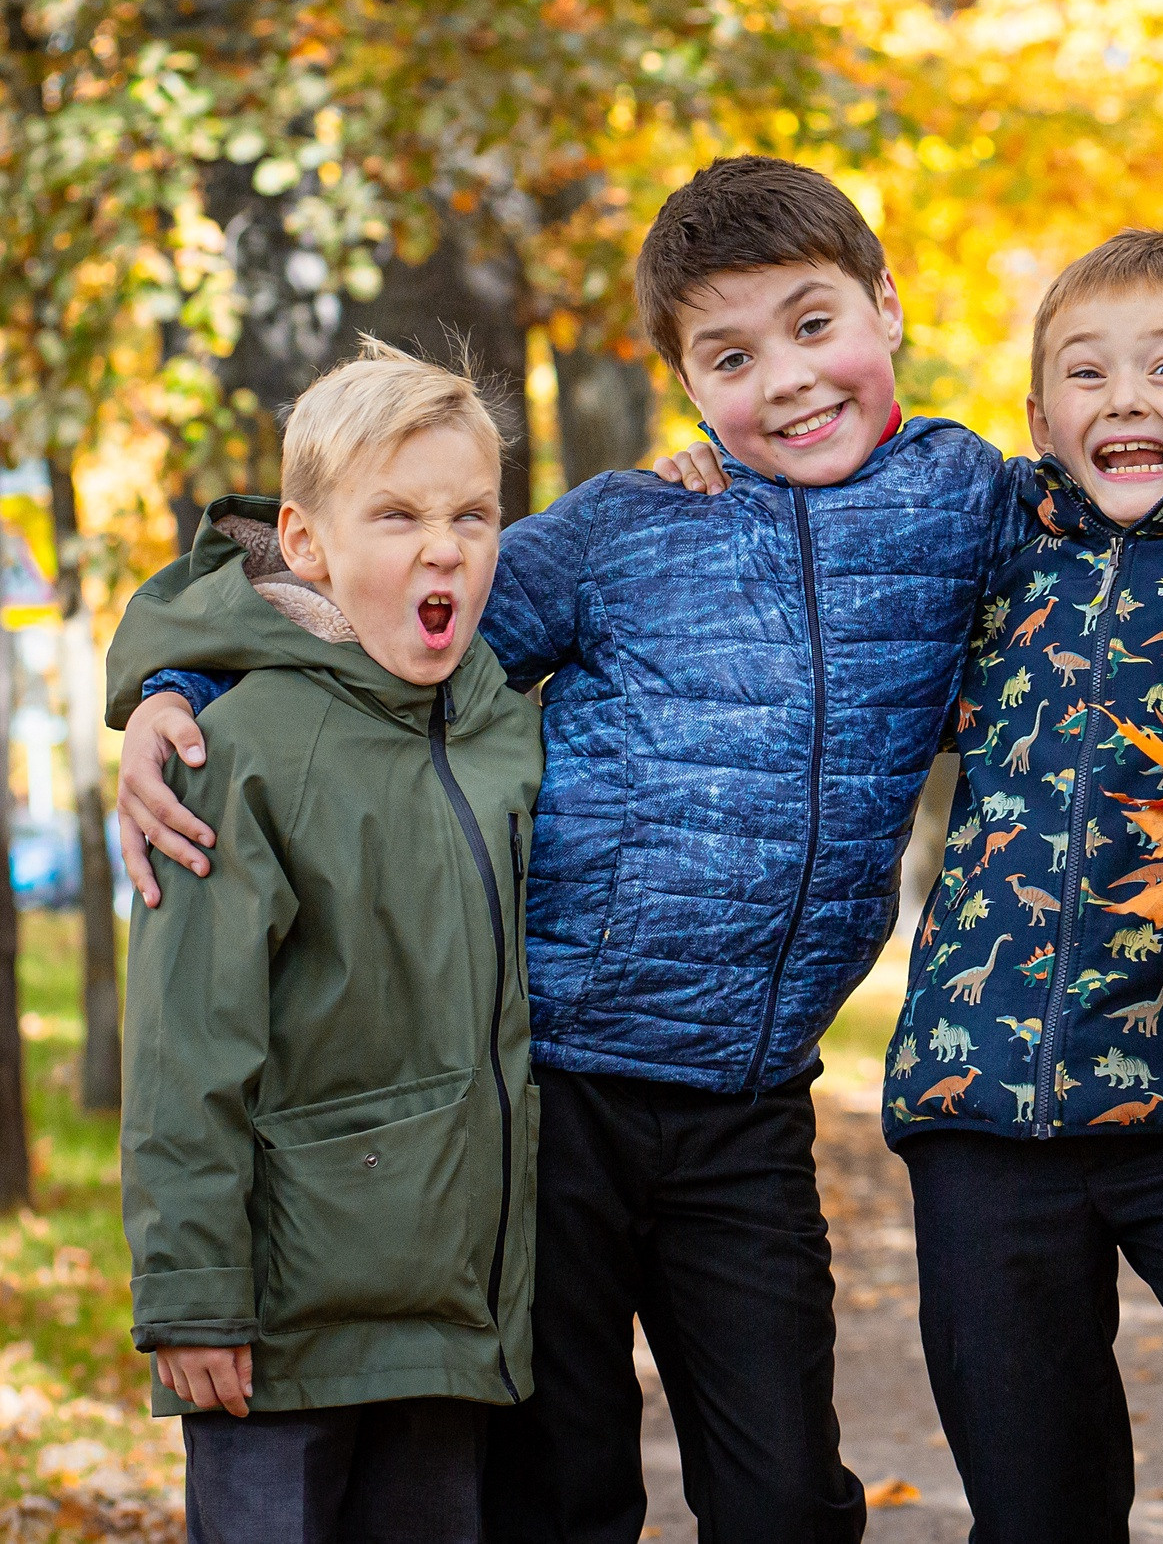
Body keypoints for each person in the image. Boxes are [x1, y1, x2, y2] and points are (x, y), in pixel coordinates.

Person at [111, 155, 1013, 1542]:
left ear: (885, 305)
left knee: (784, 1493)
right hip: (552, 1096)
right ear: (686, 383)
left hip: (749, 1102)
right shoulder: (625, 527)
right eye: (731, 357)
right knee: (557, 1486)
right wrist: (175, 688)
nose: (786, 380)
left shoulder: (968, 500)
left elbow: (1120, 532)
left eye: (814, 324)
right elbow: (380, 624)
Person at [664, 228, 1163, 1542]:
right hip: (982, 1103)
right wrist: (700, 477)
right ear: (1041, 420)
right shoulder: (989, 539)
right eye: (1086, 373)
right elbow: (831, 520)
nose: (1124, 398)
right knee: (1039, 1508)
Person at [113, 345, 540, 1542]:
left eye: (471, 515)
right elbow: (184, 1042)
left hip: (449, 1311)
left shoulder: (503, 725)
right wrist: (192, 1294)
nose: (443, 547)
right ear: (303, 542)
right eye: (396, 516)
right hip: (279, 1323)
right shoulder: (235, 748)